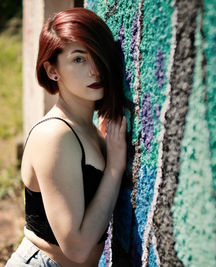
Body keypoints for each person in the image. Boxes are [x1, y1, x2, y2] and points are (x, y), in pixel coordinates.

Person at [6, 8, 126, 267]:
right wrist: (115, 167)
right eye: (79, 59)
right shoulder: (55, 136)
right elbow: (78, 248)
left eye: (98, 56)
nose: (95, 70)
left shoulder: (88, 129)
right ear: (52, 71)